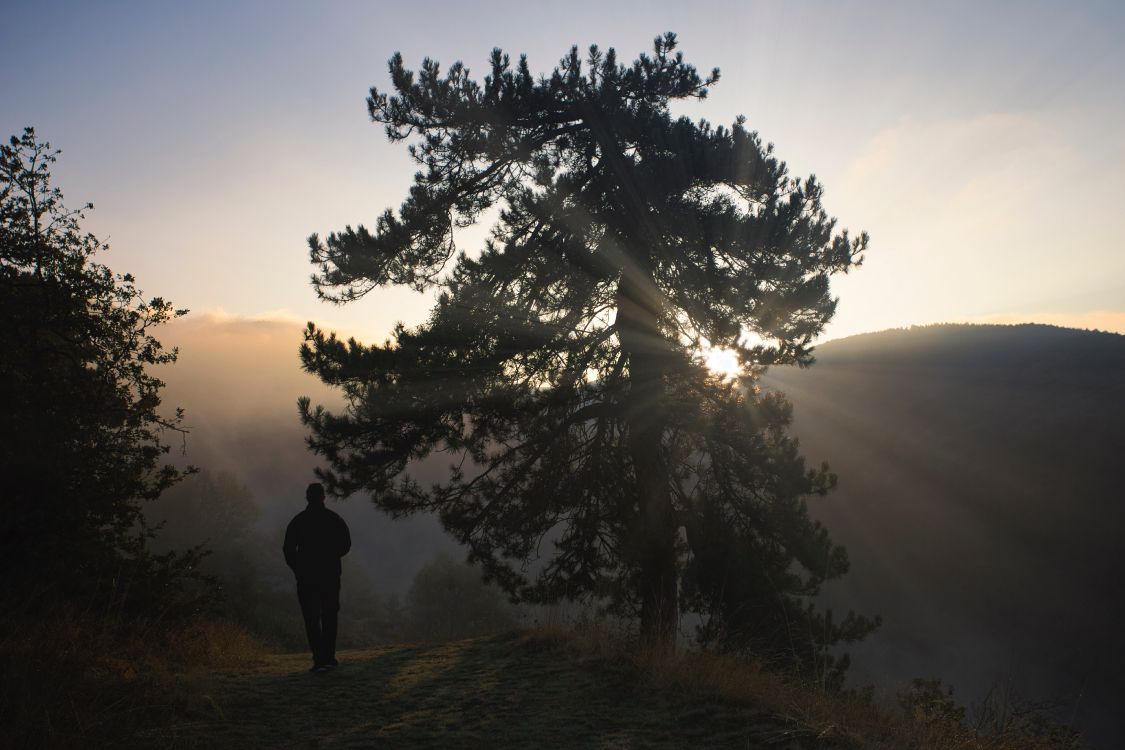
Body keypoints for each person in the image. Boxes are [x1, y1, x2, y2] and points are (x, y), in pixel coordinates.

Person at [283, 482, 351, 673]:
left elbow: (288, 550)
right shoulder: (334, 519)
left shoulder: (298, 521)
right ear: (323, 497)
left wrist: (299, 569)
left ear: (307, 497)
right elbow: (346, 544)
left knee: (311, 618)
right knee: (329, 616)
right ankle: (329, 657)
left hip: (307, 578)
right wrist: (332, 557)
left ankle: (319, 659)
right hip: (330, 575)